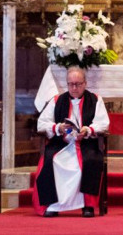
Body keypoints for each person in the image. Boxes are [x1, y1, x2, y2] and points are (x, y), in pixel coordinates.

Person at [33, 67, 109, 218]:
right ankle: (53, 204)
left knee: (89, 161)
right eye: (71, 84)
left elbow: (104, 123)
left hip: (86, 144)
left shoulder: (95, 99)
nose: (74, 88)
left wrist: (88, 130)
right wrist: (57, 127)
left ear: (85, 83)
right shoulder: (57, 100)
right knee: (51, 160)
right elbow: (41, 123)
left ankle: (87, 206)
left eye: (78, 84)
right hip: (61, 144)